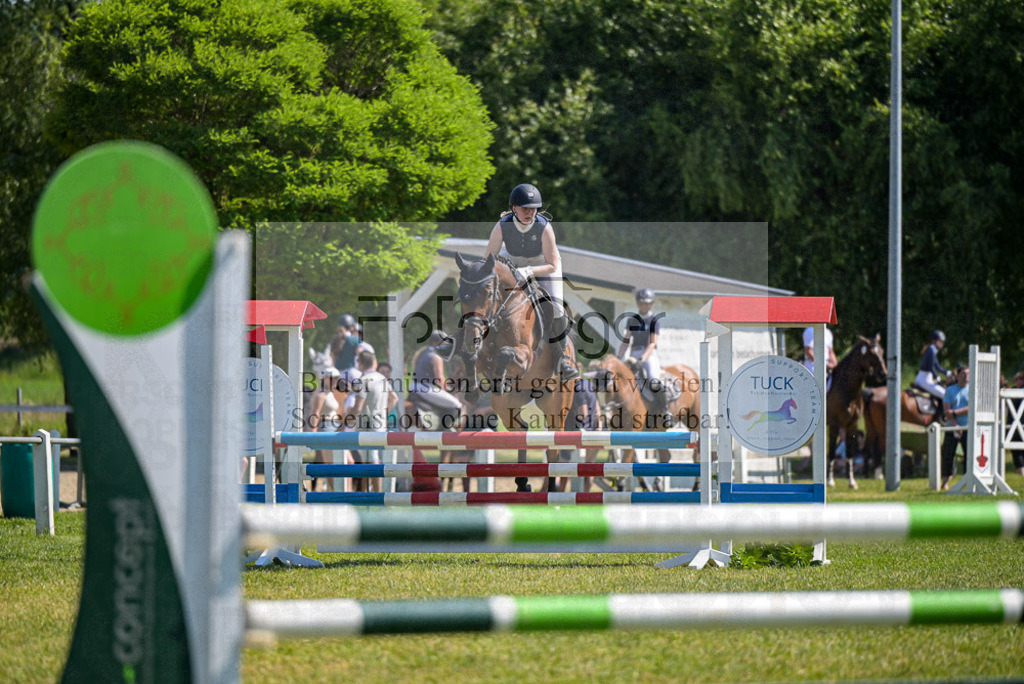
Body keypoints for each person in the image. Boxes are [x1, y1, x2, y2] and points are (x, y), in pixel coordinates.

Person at [484, 183, 579, 380]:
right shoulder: (502, 225)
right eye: (525, 208)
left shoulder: (544, 227)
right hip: (511, 258)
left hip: (542, 263)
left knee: (556, 307)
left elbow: (552, 264)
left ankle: (563, 359)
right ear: (514, 208)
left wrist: (529, 271)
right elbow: (489, 261)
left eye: (533, 208)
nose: (530, 213)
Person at [349, 350, 399, 493]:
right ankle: (372, 496)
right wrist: (383, 413)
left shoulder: (363, 380)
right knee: (371, 459)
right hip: (380, 425)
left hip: (367, 427)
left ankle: (375, 496)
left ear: (361, 363)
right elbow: (394, 398)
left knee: (370, 460)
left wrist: (344, 424)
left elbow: (358, 408)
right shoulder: (382, 378)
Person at [617, 288, 669, 412]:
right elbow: (626, 341)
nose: (643, 305)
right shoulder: (632, 320)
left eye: (646, 303)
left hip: (649, 355)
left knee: (653, 378)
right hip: (634, 354)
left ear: (651, 304)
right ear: (638, 303)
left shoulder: (653, 321)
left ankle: (665, 409)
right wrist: (618, 358)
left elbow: (652, 344)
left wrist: (642, 359)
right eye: (641, 303)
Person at [408, 330, 464, 429]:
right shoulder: (436, 356)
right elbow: (440, 379)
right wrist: (448, 390)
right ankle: (444, 431)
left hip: (414, 386)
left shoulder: (424, 353)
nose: (445, 346)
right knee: (457, 405)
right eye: (443, 343)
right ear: (435, 343)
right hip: (426, 389)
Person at [940, 364, 970, 490]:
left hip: (968, 427)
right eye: (963, 374)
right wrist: (956, 425)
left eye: (968, 374)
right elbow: (947, 410)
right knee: (947, 454)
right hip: (952, 427)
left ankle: (968, 480)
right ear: (957, 376)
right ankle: (945, 481)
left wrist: (956, 412)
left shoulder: (973, 389)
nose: (966, 377)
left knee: (969, 455)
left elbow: (972, 408)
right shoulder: (950, 390)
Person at [915, 330, 951, 401]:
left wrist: (946, 372)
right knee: (944, 394)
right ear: (934, 341)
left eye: (943, 342)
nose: (942, 344)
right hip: (925, 379)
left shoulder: (933, 350)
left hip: (926, 378)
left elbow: (937, 366)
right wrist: (936, 376)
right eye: (940, 341)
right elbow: (930, 367)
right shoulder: (931, 351)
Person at [1009, 372, 1024, 477]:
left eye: (1018, 379)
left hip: (1018, 424)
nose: (1016, 381)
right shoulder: (1014, 390)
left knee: (1017, 448)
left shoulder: (1017, 391)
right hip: (1015, 425)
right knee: (1016, 448)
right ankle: (1021, 470)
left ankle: (1021, 470)